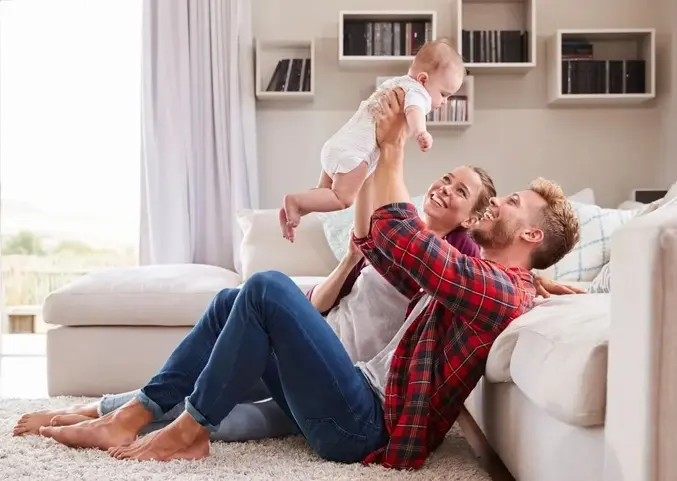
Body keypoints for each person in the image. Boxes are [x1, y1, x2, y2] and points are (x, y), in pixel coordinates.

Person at [34, 88, 581, 470]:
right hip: (349, 389)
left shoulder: (500, 288)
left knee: (268, 286)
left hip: (367, 427)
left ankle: (185, 432)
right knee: (235, 299)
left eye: (511, 203)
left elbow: (410, 247)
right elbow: (389, 249)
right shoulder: (499, 283)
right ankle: (134, 414)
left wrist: (391, 149)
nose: (499, 206)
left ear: (530, 238)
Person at [13, 162, 496, 438]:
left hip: (342, 383)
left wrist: (533, 281)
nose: (444, 189)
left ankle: (131, 420)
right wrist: (350, 261)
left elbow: (487, 277)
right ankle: (109, 412)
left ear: (472, 218)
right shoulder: (395, 231)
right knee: (231, 308)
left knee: (234, 414)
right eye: (447, 179)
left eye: (460, 192)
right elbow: (321, 307)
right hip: (311, 351)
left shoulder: (451, 262)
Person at [279, 38, 465, 242]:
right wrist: (421, 132)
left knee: (324, 193)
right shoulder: (417, 93)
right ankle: (295, 201)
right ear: (423, 79)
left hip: (338, 145)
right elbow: (414, 111)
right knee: (342, 199)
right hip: (355, 155)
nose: (444, 101)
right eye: (444, 94)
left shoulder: (394, 83)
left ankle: (293, 210)